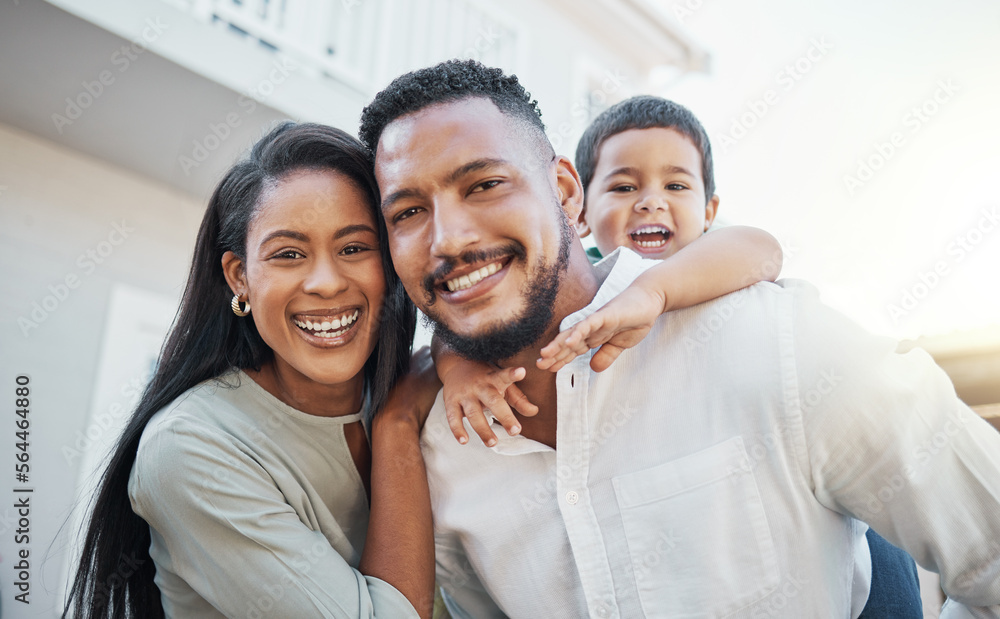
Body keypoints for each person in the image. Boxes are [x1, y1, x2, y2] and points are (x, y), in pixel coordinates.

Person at [360, 60, 1000, 618]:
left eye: (484, 185)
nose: (447, 238)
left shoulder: (773, 343)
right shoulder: (440, 443)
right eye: (408, 212)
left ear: (564, 192)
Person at [63, 123, 441, 619]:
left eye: (353, 248)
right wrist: (396, 428)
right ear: (239, 277)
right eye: (288, 254)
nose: (326, 283)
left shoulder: (424, 385)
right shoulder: (190, 447)